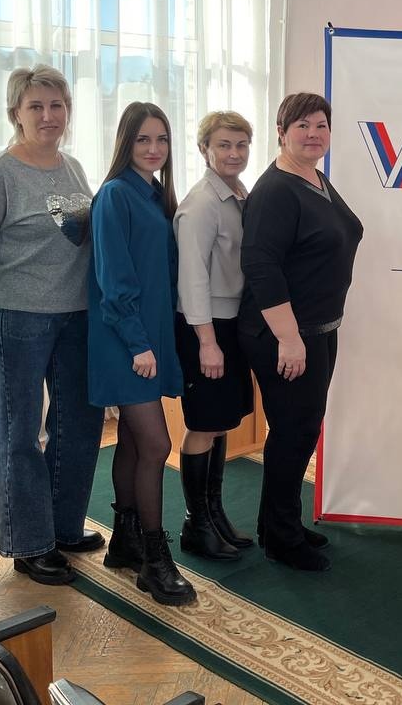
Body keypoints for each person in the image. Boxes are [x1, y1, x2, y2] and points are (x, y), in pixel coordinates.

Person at [0, 65, 103, 589]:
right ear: (15, 114)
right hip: (17, 320)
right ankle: (28, 543)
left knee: (77, 426)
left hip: (76, 318)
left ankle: (63, 528)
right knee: (19, 434)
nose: (48, 115)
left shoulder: (73, 168)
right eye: (35, 106)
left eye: (56, 105)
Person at [238, 93, 363, 572]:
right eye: (302, 125)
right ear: (281, 132)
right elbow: (261, 266)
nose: (313, 133)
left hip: (317, 329)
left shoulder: (313, 177)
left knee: (300, 429)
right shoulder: (275, 190)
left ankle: (278, 524)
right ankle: (282, 539)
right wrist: (289, 339)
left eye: (321, 125)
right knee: (294, 432)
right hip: (285, 334)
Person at [88, 102, 194, 606]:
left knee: (133, 443)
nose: (154, 149)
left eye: (162, 140)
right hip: (127, 342)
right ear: (125, 143)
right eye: (143, 140)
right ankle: (155, 559)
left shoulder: (153, 193)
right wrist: (138, 344)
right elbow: (114, 280)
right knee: (156, 446)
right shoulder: (115, 194)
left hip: (150, 338)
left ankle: (124, 542)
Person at [173, 111, 256, 561]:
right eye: (224, 145)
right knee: (203, 423)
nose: (234, 153)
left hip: (231, 322)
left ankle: (215, 513)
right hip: (206, 327)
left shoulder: (239, 193)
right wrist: (207, 342)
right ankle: (196, 524)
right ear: (204, 149)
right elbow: (192, 280)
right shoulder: (202, 203)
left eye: (241, 144)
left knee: (221, 419)